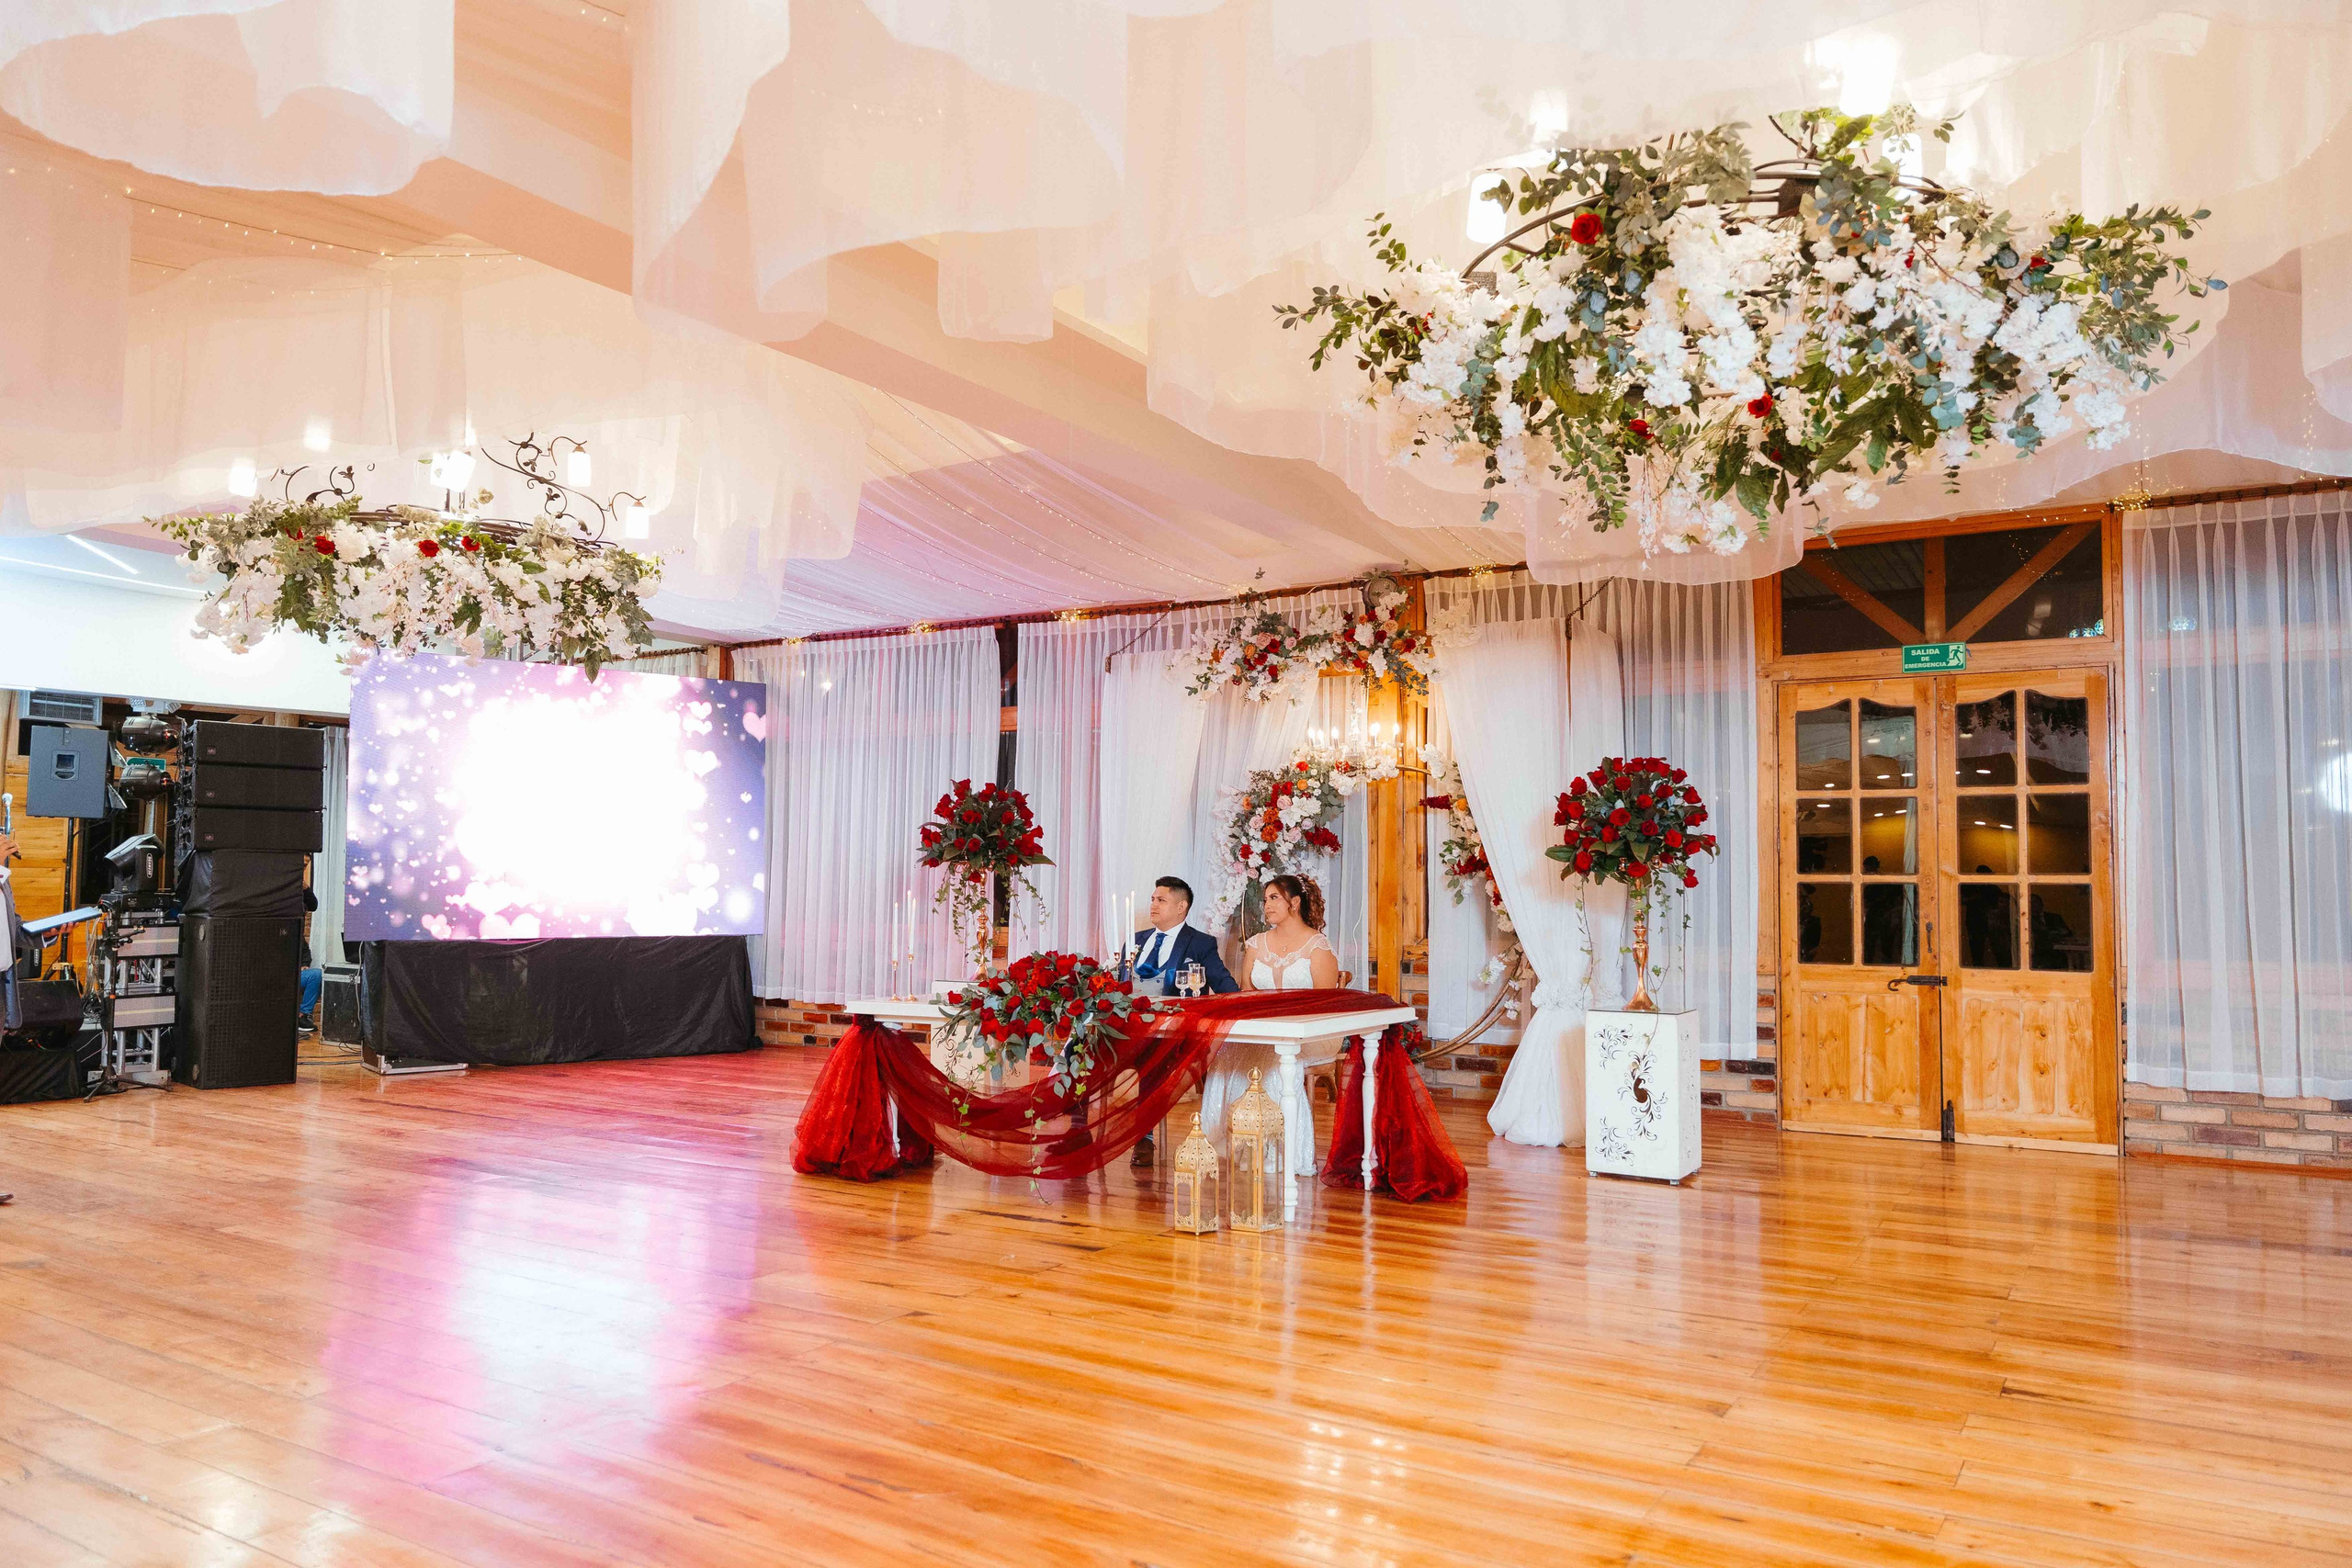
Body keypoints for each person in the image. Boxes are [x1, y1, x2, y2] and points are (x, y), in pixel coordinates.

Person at [1198, 873, 1338, 1155]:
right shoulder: (1256, 944)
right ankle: (1237, 1144)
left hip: (1309, 1032)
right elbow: (1247, 994)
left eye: (1274, 898)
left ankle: (1280, 1152)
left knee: (1273, 1062)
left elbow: (1325, 1004)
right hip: (1265, 1030)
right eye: (1265, 900)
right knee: (1226, 1056)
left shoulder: (1317, 946)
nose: (1267, 905)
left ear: (1294, 903)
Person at [1125, 875, 1235, 1168]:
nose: (1153, 904)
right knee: (1081, 1049)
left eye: (1161, 900)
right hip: (1130, 1029)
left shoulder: (1200, 944)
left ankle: (1144, 1138)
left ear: (1181, 907)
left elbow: (1225, 986)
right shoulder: (1134, 941)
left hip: (1173, 1035)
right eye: (1153, 899)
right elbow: (1119, 987)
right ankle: (1078, 1132)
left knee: (1151, 1053)